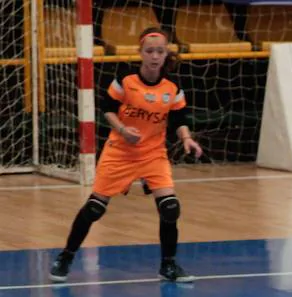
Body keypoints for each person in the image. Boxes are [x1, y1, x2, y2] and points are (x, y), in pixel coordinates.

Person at [49, 27, 202, 283]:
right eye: (149, 51)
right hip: (120, 151)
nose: (155, 56)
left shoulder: (172, 87)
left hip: (153, 153)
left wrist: (186, 138)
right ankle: (66, 256)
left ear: (166, 54)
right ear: (140, 53)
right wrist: (122, 129)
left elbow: (178, 118)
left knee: (170, 208)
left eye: (160, 51)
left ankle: (168, 265)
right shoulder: (126, 81)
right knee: (95, 208)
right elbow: (107, 108)